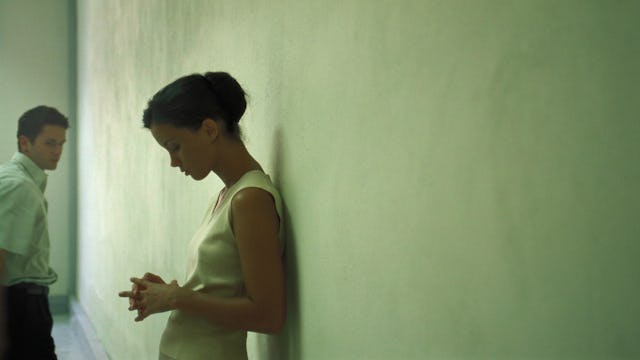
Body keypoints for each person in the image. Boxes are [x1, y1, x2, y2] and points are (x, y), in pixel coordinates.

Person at [118, 72, 285, 360]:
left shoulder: (251, 199)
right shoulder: (225, 197)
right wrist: (168, 294)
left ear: (209, 129)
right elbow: (220, 292)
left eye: (175, 147)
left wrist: (178, 297)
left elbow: (269, 316)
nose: (173, 161)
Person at [0, 105, 69, 359]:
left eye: (61, 143)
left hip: (22, 302)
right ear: (24, 143)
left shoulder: (14, 177)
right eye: (50, 143)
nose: (57, 151)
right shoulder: (20, 186)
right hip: (20, 304)